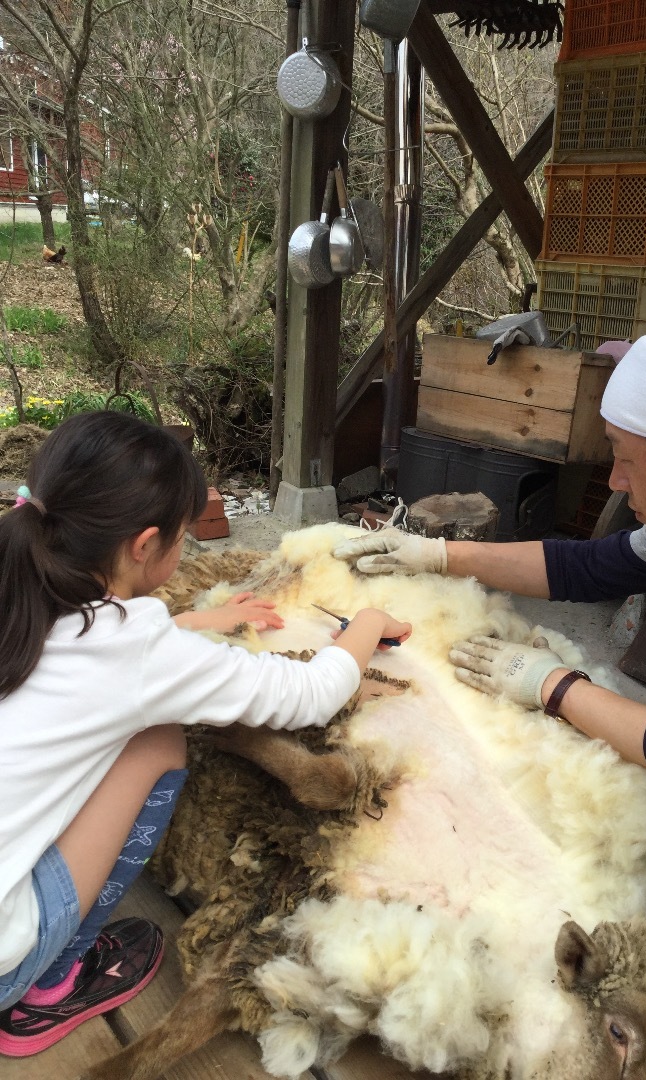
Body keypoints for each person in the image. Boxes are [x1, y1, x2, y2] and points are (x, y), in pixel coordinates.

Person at [333, 321, 646, 1040]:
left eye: (622, 460)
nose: (613, 480)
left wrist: (554, 687)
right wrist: (435, 556)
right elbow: (597, 567)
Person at [0, 410, 410, 1058]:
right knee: (159, 742)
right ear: (145, 546)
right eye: (184, 538)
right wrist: (364, 624)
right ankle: (53, 983)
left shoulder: (22, 580)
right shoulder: (136, 648)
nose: (188, 549)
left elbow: (106, 657)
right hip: (5, 957)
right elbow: (306, 698)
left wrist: (191, 620)